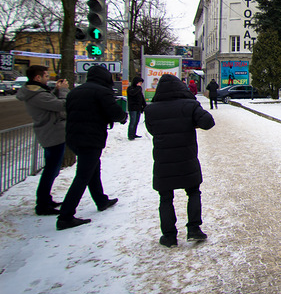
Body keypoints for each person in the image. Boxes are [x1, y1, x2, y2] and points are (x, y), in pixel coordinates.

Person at [144, 74, 215, 247]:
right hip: (186, 157)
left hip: (163, 159)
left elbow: (152, 130)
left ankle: (169, 236)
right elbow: (208, 122)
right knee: (193, 192)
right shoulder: (190, 105)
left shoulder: (151, 109)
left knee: (166, 198)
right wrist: (192, 123)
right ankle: (194, 229)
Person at [57, 65, 127, 230]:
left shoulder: (75, 91)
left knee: (93, 169)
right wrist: (123, 116)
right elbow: (114, 112)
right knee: (83, 176)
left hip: (74, 137)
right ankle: (65, 216)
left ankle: (101, 200)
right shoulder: (102, 92)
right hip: (91, 138)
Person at [16, 65, 69, 215]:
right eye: (46, 76)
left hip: (51, 133)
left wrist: (57, 90)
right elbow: (61, 105)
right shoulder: (38, 95)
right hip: (52, 134)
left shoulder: (37, 93)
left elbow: (50, 101)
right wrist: (63, 91)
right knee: (51, 170)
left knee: (52, 169)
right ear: (37, 78)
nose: (48, 78)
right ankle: (42, 204)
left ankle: (45, 199)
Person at [126, 76, 145, 140]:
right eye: (139, 83)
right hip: (132, 107)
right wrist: (138, 88)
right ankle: (130, 135)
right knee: (133, 121)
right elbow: (132, 93)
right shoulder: (131, 88)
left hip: (138, 107)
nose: (140, 84)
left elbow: (141, 98)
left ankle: (134, 133)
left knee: (136, 121)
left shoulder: (139, 89)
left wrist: (144, 105)